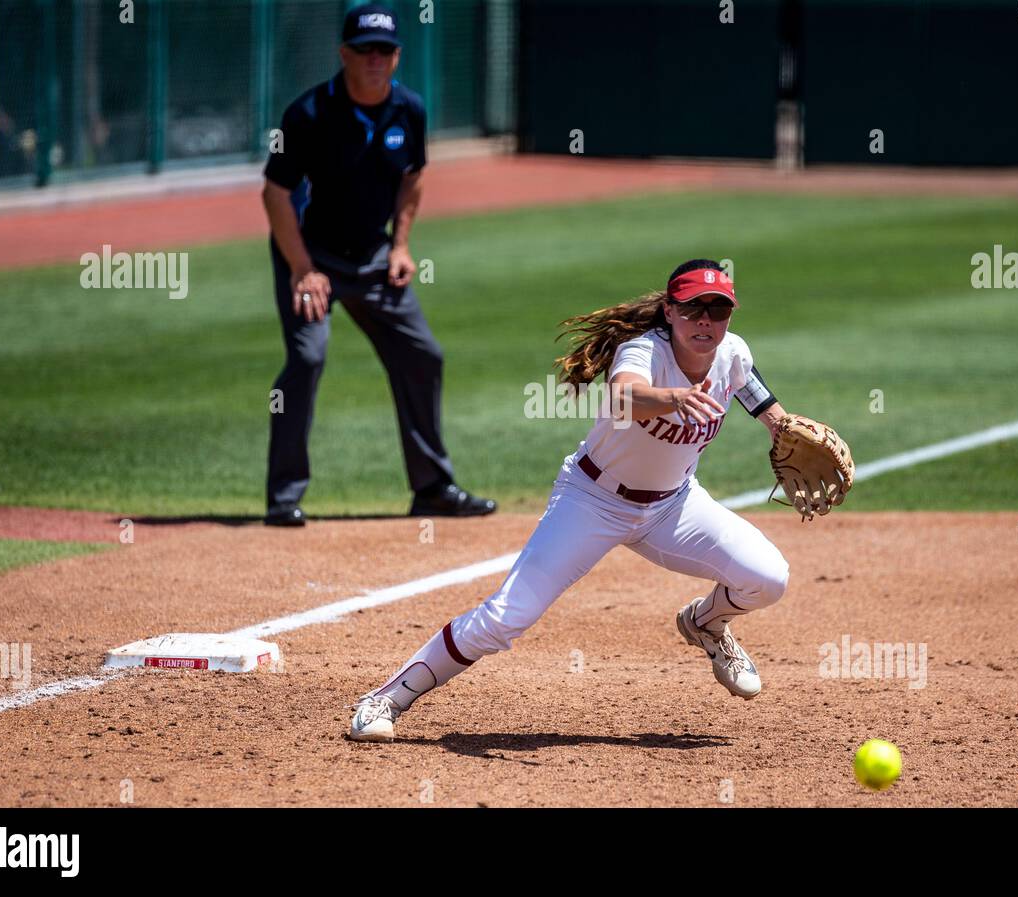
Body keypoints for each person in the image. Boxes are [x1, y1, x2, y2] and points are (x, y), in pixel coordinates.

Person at [348, 258, 849, 742]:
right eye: (694, 308)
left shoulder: (731, 351)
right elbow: (624, 396)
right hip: (591, 501)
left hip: (673, 507)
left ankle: (705, 622)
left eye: (718, 310)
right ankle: (385, 700)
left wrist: (779, 423)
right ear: (670, 311)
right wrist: (674, 398)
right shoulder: (643, 352)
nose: (705, 321)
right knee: (507, 617)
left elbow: (748, 383)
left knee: (768, 578)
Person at [260, 3, 495, 526]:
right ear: (344, 54)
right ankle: (283, 498)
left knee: (422, 355)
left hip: (371, 255)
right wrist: (302, 269)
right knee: (308, 358)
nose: (374, 60)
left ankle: (432, 488)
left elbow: (412, 177)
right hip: (310, 255)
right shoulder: (309, 114)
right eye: (363, 50)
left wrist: (402, 245)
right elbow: (275, 194)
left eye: (384, 51)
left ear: (396, 57)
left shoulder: (409, 109)